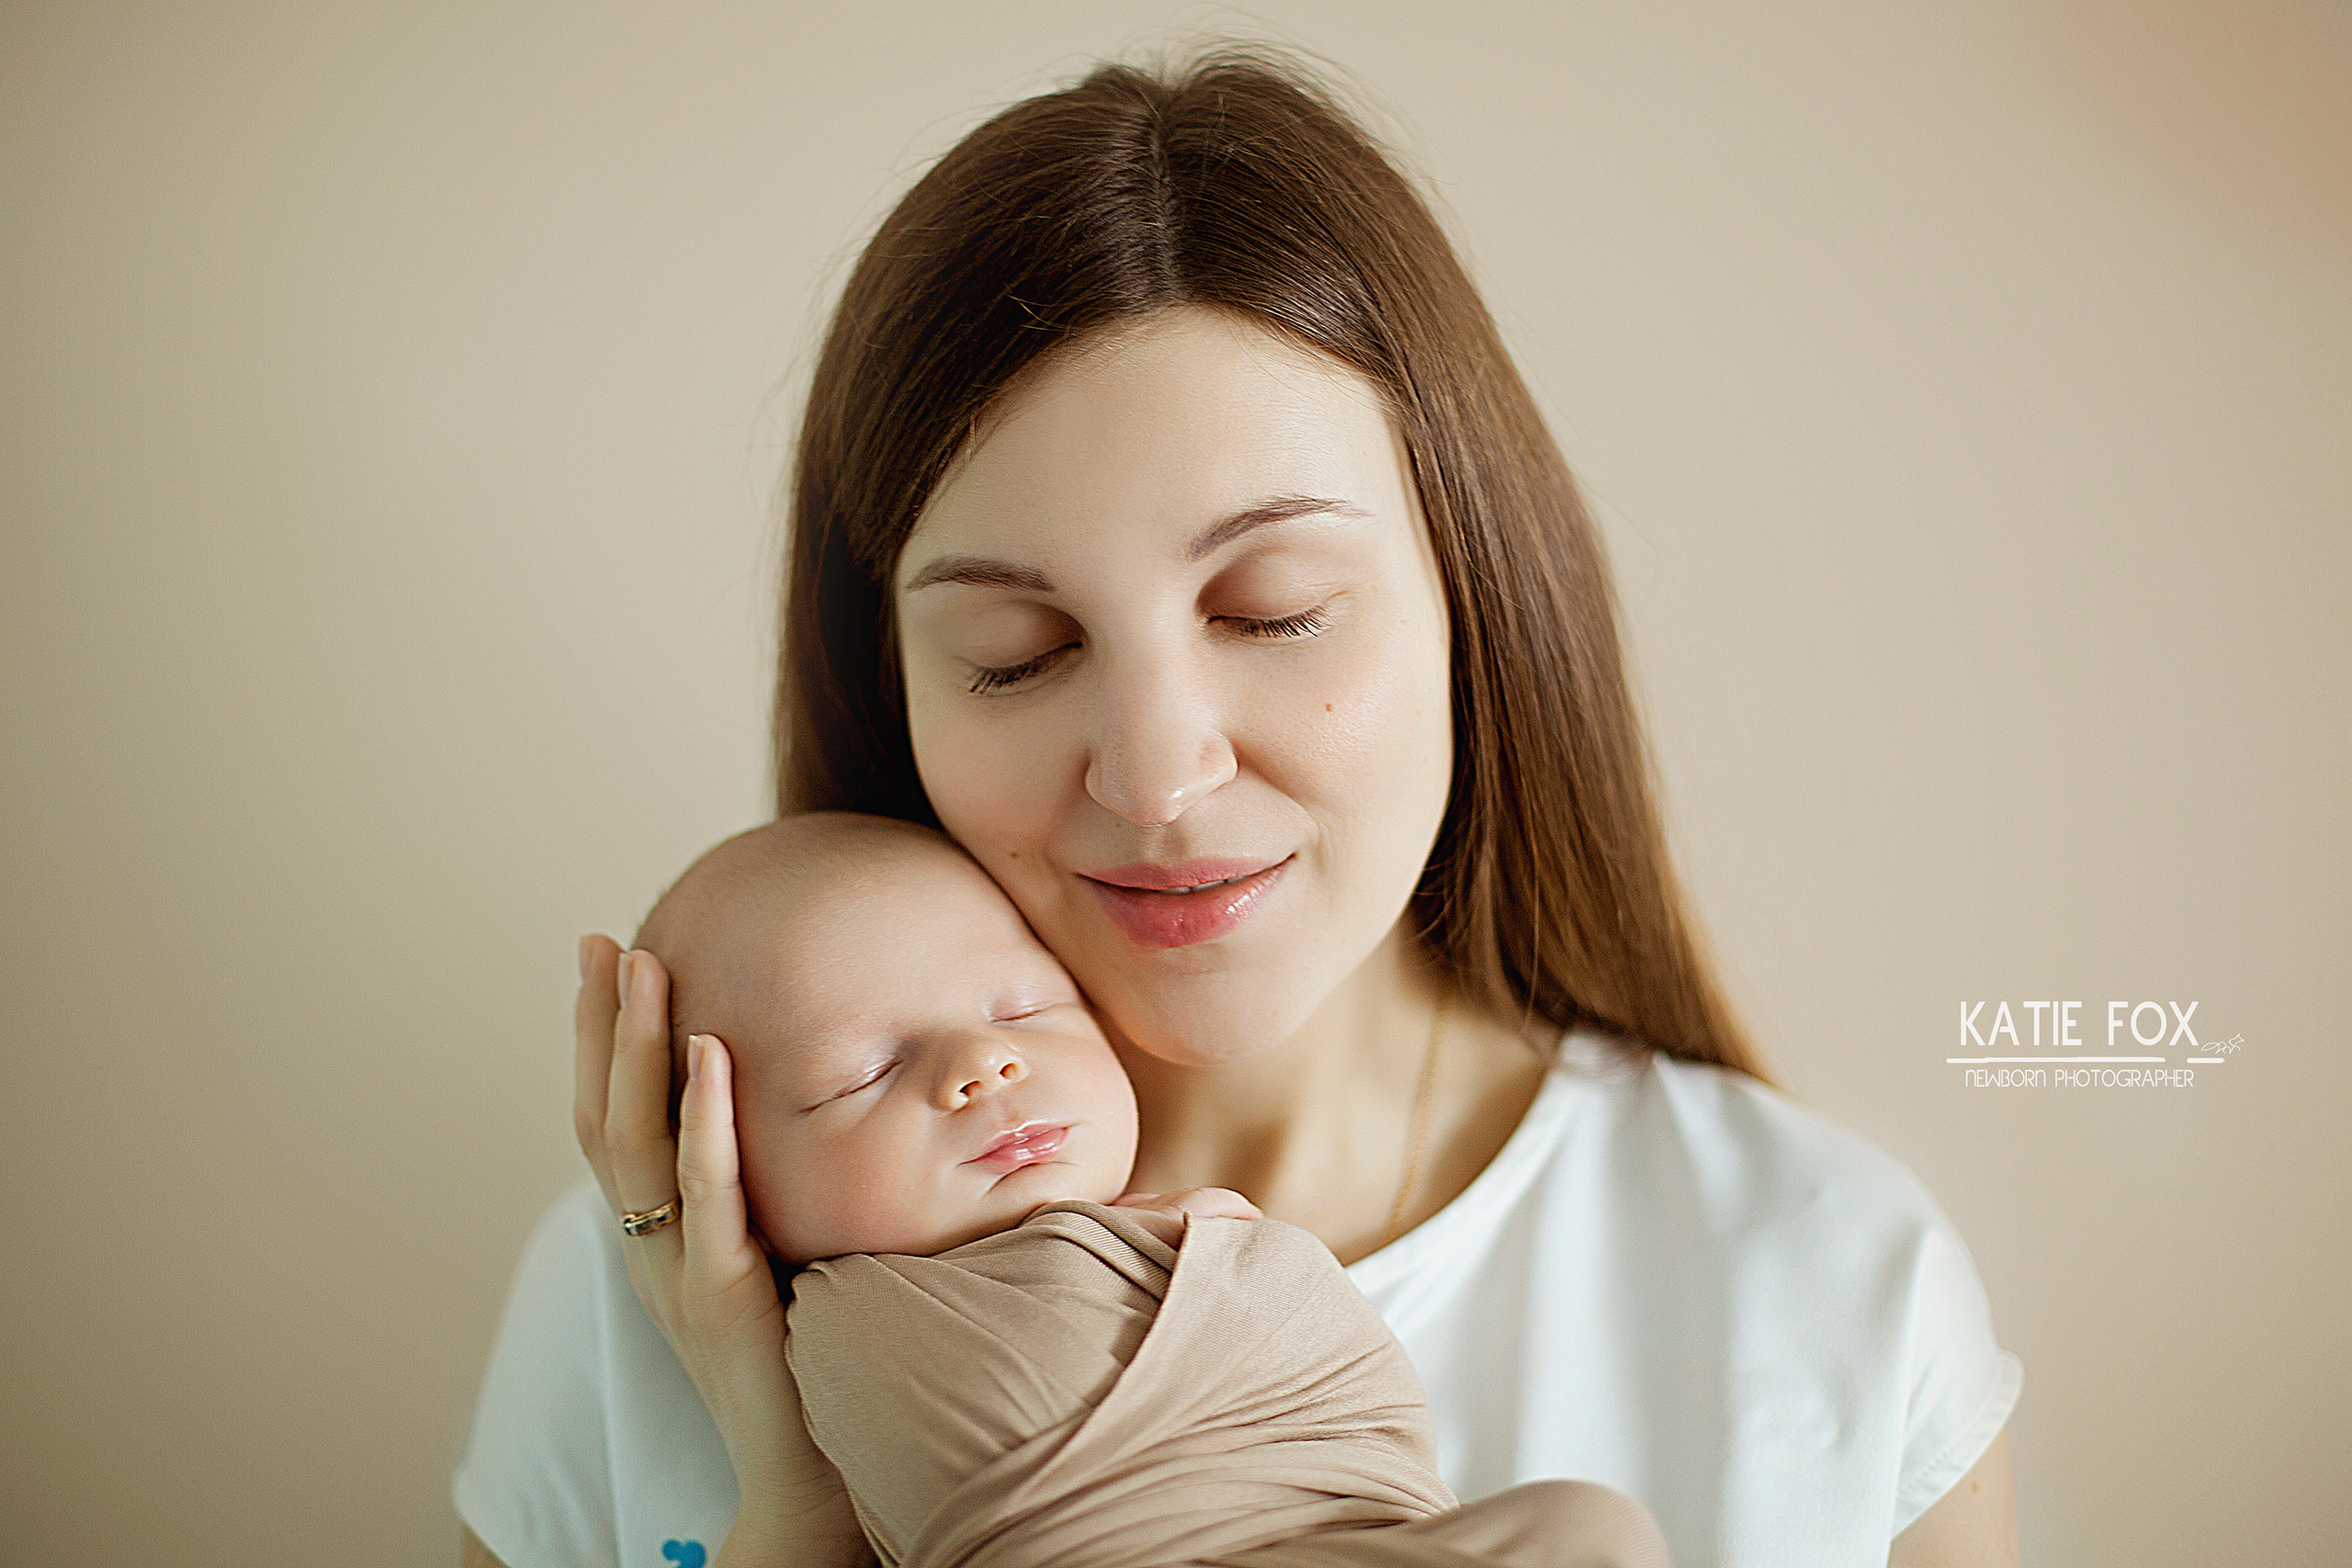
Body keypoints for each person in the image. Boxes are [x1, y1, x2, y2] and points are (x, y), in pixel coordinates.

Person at [457, 48, 2023, 1568]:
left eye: (1273, 607)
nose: (1157, 775)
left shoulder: (1834, 1292)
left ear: (1473, 596)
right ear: (895, 689)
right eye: (1020, 654)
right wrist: (784, 1486)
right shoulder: (649, 1304)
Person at [623, 809, 1670, 1568]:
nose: (984, 1064)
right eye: (861, 1073)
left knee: (1591, 1529)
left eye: (1028, 1009)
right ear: (725, 1170)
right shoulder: (836, 1322)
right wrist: (786, 1503)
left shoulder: (1179, 1231)